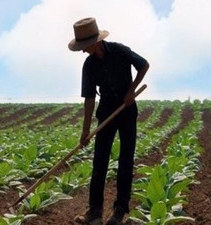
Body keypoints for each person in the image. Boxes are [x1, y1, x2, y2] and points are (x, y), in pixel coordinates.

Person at [68, 17, 149, 225]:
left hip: (127, 108)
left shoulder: (120, 51)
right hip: (106, 111)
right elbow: (89, 98)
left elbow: (144, 65)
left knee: (125, 160)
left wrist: (131, 91)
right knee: (100, 161)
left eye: (85, 46)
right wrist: (85, 131)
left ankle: (120, 210)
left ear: (95, 42)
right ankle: (94, 211)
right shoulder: (88, 65)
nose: (84, 51)